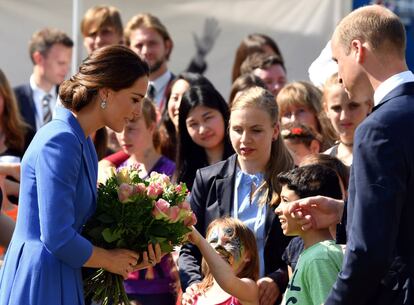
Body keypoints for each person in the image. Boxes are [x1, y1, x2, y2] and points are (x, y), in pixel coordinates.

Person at [0, 45, 163, 305]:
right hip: (41, 278)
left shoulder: (81, 139)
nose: (136, 111)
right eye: (135, 98)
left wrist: (134, 251)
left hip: (59, 272)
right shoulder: (61, 140)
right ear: (106, 92)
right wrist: (110, 260)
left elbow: (79, 228)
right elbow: (58, 236)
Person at [289, 5, 414, 305]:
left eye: (336, 60)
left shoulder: (378, 128)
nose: (338, 75)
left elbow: (370, 253)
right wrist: (345, 212)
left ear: (357, 49)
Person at [178, 87, 294, 305]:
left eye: (256, 130)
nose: (245, 139)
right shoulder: (207, 178)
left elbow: (301, 246)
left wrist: (277, 279)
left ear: (275, 130)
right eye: (238, 129)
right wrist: (194, 283)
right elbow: (189, 246)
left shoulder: (291, 180)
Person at [275, 164, 344, 305]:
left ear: (312, 205)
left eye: (285, 201)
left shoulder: (320, 257)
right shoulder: (312, 254)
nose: (277, 209)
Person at [14, 28, 73, 146]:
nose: (66, 69)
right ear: (38, 58)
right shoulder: (13, 99)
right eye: (61, 63)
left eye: (68, 63)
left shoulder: (71, 98)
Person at [187, 217, 259, 305]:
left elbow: (227, 281)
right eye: (212, 241)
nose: (218, 246)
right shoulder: (196, 293)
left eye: (228, 242)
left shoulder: (249, 289)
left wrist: (198, 240)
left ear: (247, 255)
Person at [175, 84, 234, 190]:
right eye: (193, 124)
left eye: (208, 118)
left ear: (223, 114)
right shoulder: (186, 173)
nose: (202, 129)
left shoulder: (243, 161)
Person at [322, 73, 373, 166]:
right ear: (326, 110)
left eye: (353, 106)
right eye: (336, 108)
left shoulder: (385, 154)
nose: (344, 116)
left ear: (369, 105)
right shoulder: (322, 164)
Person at [276, 81, 337, 151]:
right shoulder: (276, 156)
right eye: (287, 114)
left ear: (317, 112)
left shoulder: (337, 152)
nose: (293, 119)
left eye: (301, 111)